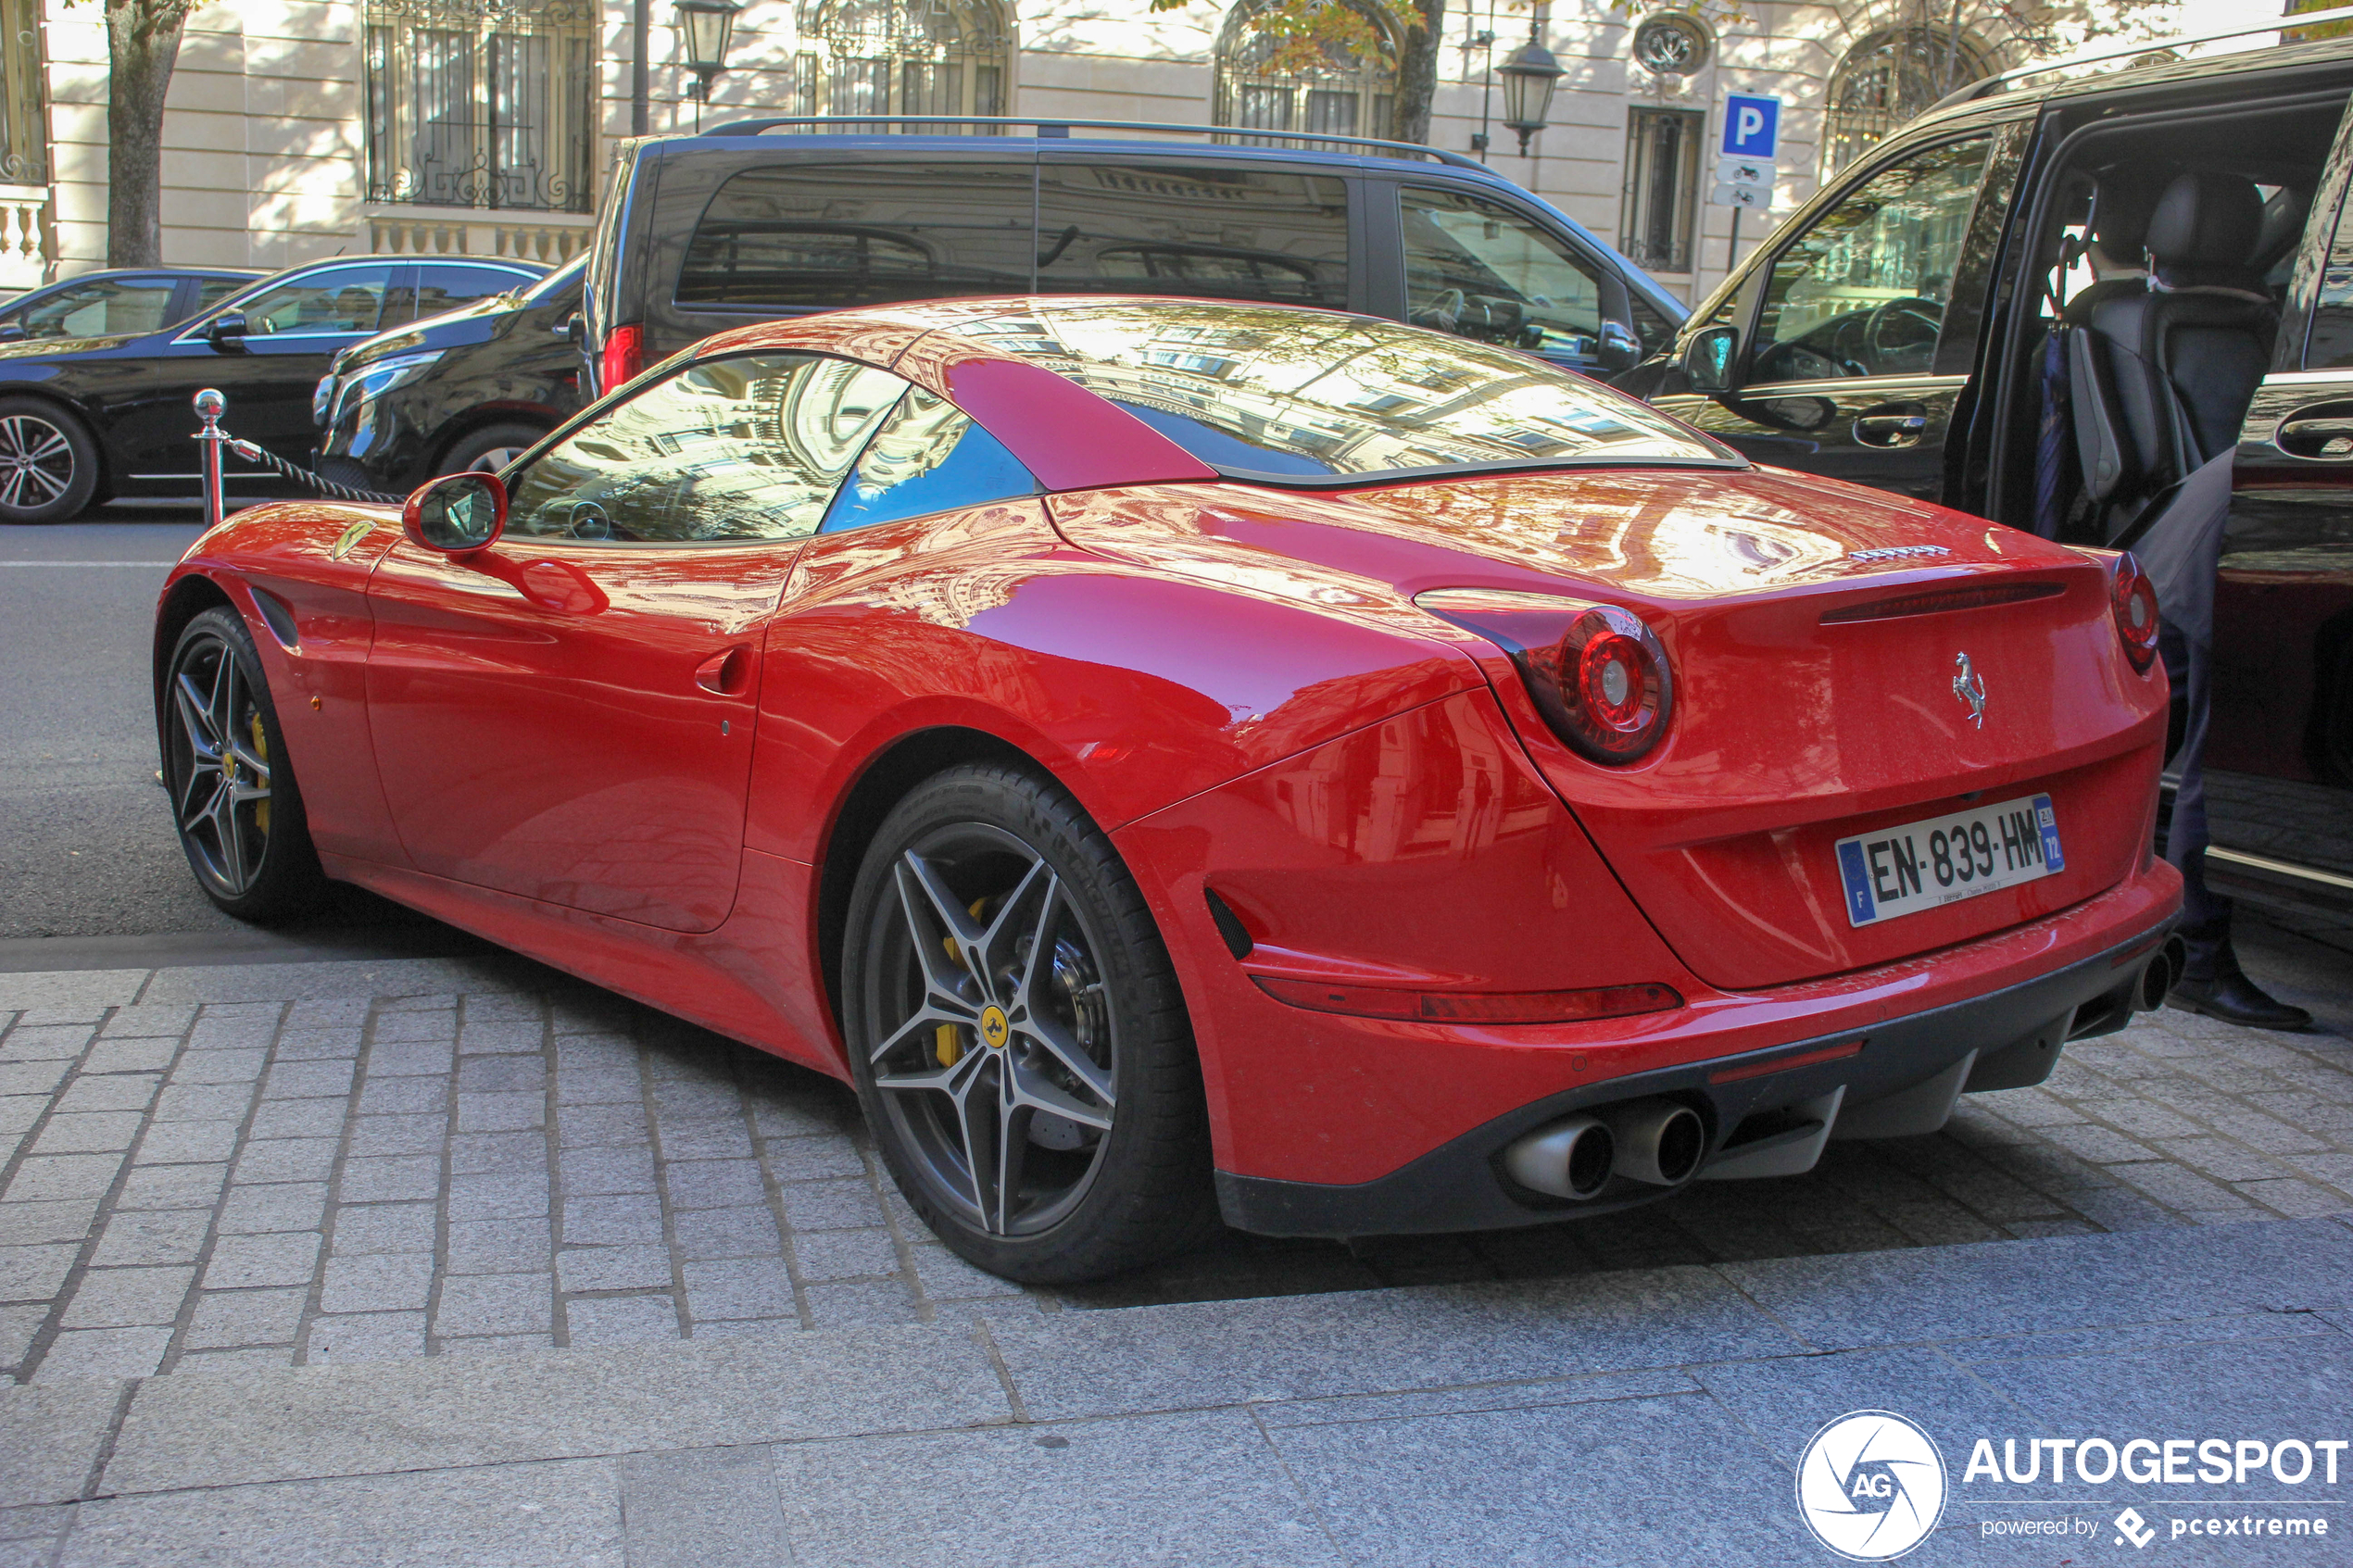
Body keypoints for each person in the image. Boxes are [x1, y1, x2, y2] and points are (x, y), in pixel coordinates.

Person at [2134, 450, 2312, 1031]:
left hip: (2200, 535)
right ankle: (2198, 959)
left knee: (2146, 738)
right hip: (2238, 553)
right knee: (2225, 757)